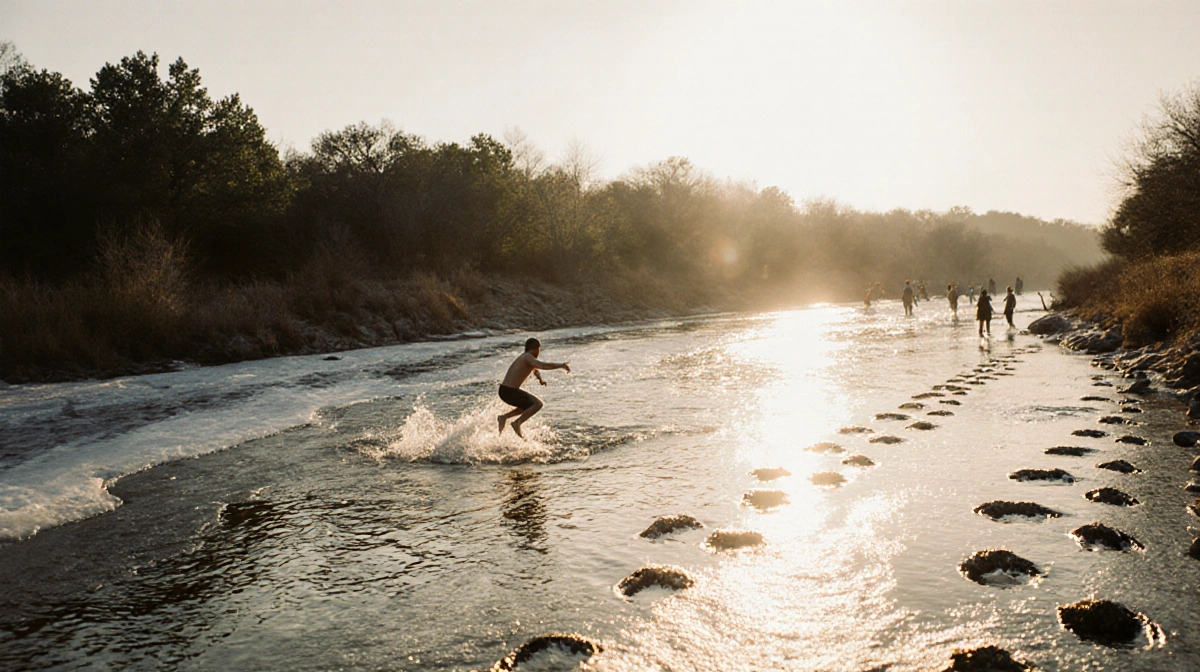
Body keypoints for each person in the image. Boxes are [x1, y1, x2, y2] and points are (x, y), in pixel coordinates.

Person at [497, 338, 570, 438]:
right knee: (537, 404)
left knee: (527, 406)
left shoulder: (526, 358)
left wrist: (540, 380)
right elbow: (542, 365)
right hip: (509, 391)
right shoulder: (527, 356)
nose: (539, 352)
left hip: (505, 391)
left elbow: (535, 370)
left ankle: (504, 417)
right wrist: (560, 365)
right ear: (535, 349)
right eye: (539, 350)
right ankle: (517, 423)